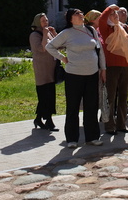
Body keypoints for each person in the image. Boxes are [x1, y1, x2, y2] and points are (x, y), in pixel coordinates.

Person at [46, 8, 107, 148]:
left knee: (91, 107)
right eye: (77, 13)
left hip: (92, 74)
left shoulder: (90, 31)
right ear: (70, 19)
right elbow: (50, 46)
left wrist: (103, 69)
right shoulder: (67, 33)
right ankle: (72, 139)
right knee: (72, 107)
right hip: (74, 75)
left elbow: (100, 51)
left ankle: (92, 137)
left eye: (81, 12)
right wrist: (62, 58)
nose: (80, 15)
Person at [98, 4, 128, 135]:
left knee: (124, 96)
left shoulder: (125, 27)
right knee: (110, 97)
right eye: (112, 15)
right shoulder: (106, 28)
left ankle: (121, 124)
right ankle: (109, 126)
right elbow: (101, 19)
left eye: (116, 14)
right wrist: (109, 8)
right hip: (112, 66)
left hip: (127, 65)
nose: (115, 16)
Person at [29, 12, 59, 131]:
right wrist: (45, 35)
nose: (45, 23)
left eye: (46, 20)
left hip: (51, 68)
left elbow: (58, 46)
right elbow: (42, 49)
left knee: (50, 94)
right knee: (43, 94)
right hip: (41, 69)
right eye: (43, 21)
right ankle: (48, 121)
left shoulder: (49, 33)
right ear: (37, 23)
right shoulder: (34, 35)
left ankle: (39, 119)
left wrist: (54, 34)